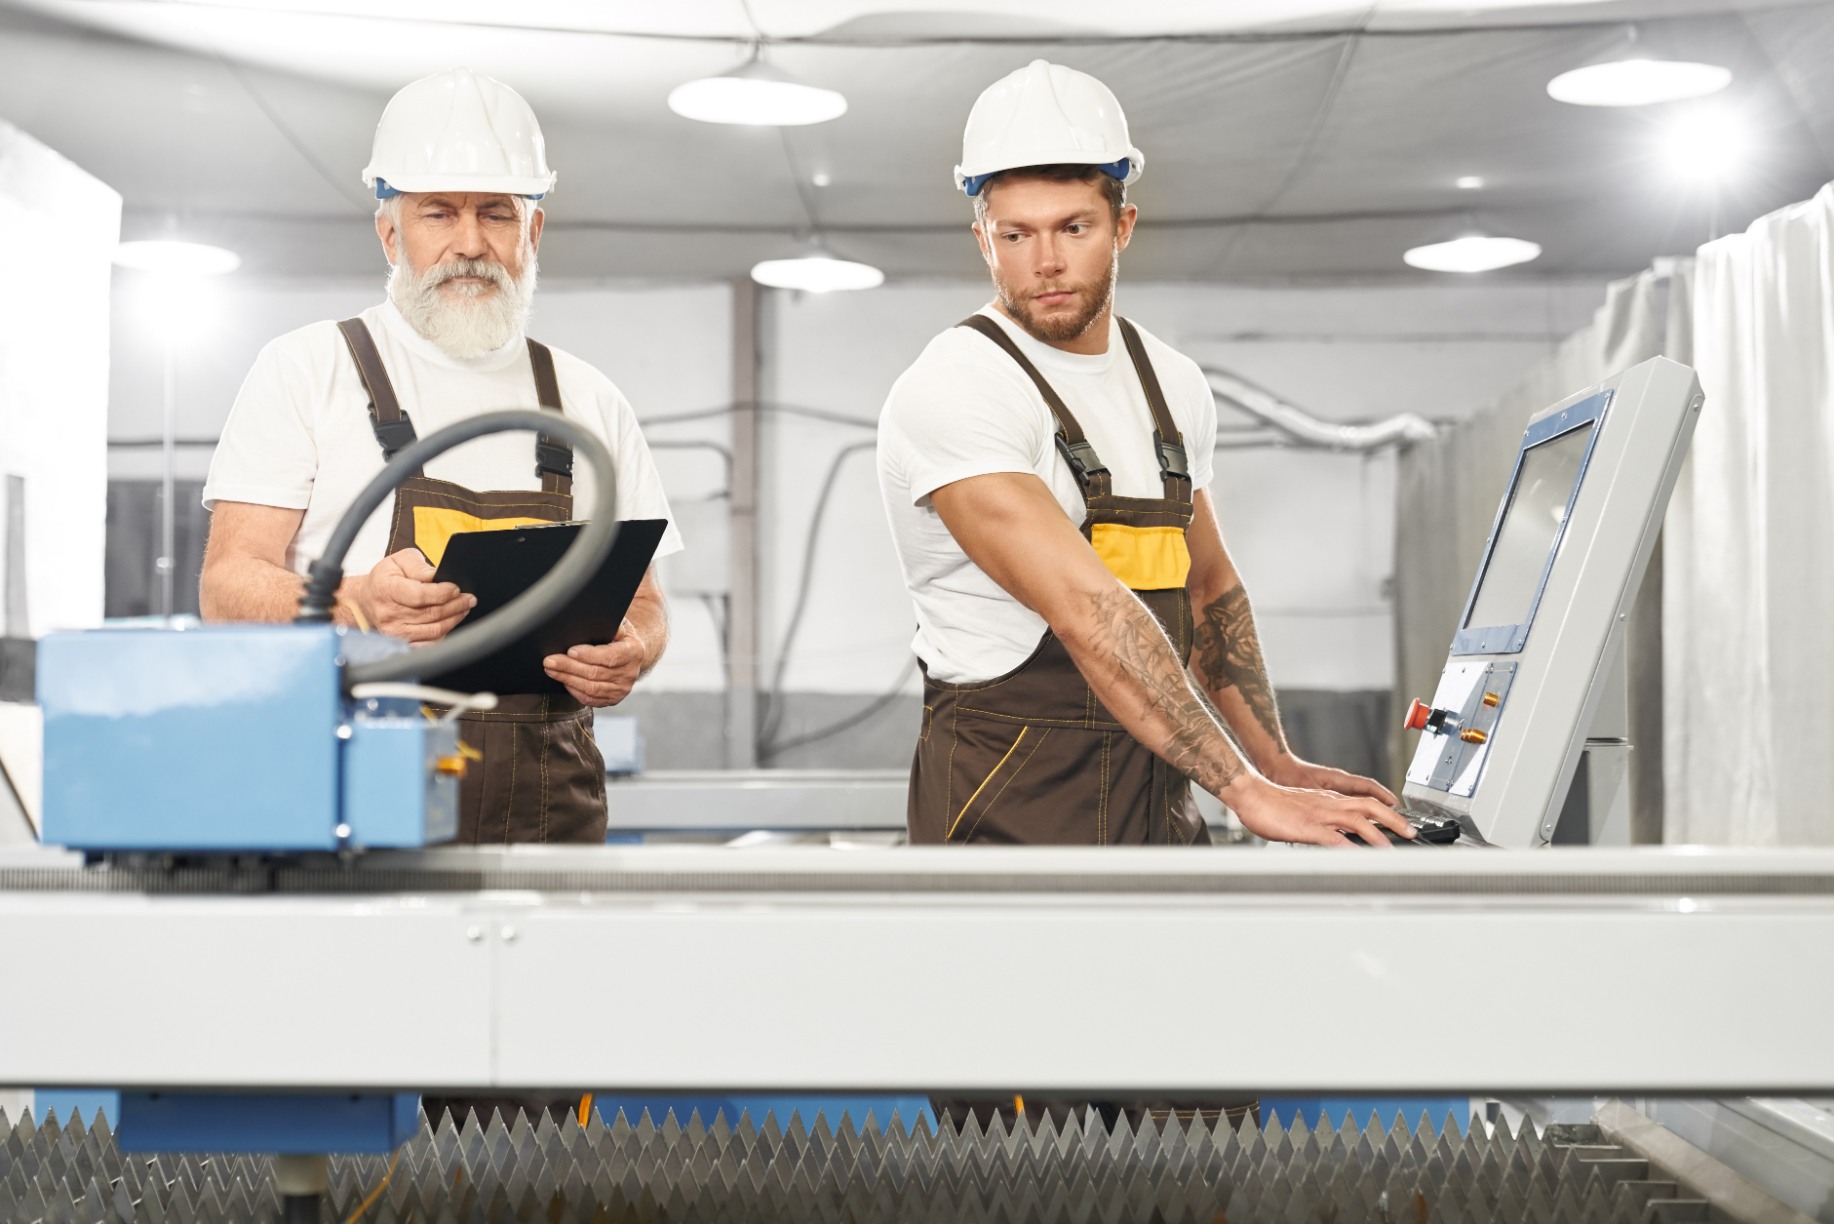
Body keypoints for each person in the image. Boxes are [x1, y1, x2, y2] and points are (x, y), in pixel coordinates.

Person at [877, 60, 1409, 849]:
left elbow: (1208, 585)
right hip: (1008, 812)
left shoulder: (1172, 384)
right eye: (1015, 234)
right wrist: (1246, 791)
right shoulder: (958, 387)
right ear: (983, 238)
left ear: (1122, 225)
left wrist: (1277, 762)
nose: (1045, 263)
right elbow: (1087, 612)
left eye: (1074, 228)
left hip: (1157, 794)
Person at [200, 67, 681, 848]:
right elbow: (227, 589)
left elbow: (648, 606)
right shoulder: (308, 369)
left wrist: (633, 652)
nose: (469, 243)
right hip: (351, 786)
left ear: (534, 232)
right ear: (391, 232)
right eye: (438, 213)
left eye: (497, 213)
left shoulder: (588, 401)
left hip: (548, 800)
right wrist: (357, 605)